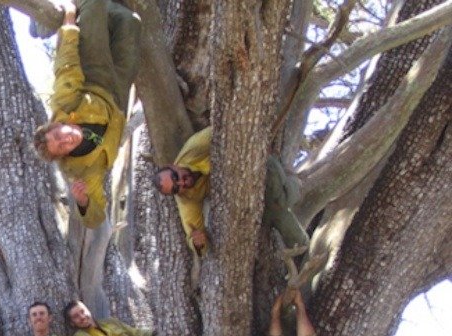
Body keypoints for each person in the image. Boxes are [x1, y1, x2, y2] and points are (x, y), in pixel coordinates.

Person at [32, 0, 141, 228]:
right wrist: (83, 202)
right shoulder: (81, 169)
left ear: (57, 124)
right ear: (64, 155)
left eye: (59, 135)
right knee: (130, 22)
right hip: (117, 98)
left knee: (94, 3)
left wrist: (69, 22)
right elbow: (95, 219)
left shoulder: (65, 104)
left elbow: (67, 66)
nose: (66, 140)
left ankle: (42, 24)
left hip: (93, 76)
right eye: (62, 147)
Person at [153, 126, 309, 255]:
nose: (181, 182)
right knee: (271, 214)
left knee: (280, 200)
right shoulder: (186, 198)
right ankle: (303, 247)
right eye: (176, 188)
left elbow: (229, 127)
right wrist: (198, 243)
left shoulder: (194, 148)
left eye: (175, 177)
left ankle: (296, 183)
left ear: (173, 166)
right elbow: (193, 234)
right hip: (249, 189)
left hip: (260, 164)